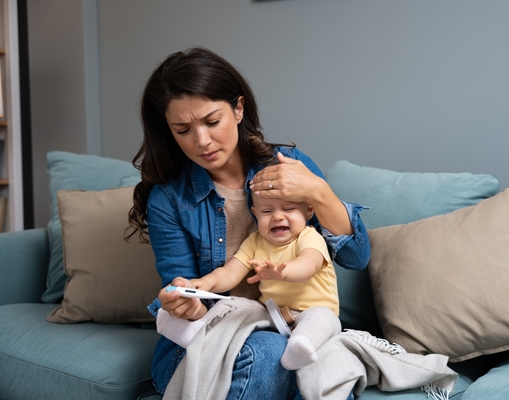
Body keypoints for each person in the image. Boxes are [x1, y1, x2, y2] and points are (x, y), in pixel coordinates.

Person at [127, 47, 370, 399]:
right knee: (269, 354)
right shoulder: (168, 199)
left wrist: (319, 191)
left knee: (323, 365)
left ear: (238, 109)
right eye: (183, 130)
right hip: (211, 337)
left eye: (212, 122)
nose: (202, 141)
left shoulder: (289, 165)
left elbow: (357, 258)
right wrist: (188, 302)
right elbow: (191, 292)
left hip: (293, 324)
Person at [162, 191, 341, 371]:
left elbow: (309, 264)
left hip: (313, 310)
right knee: (238, 304)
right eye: (267, 211)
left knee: (323, 319)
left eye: (288, 208)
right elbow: (230, 272)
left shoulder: (310, 237)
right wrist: (208, 282)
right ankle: (200, 332)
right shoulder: (255, 241)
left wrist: (282, 272)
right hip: (274, 315)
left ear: (309, 211)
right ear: (255, 213)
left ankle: (299, 347)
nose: (278, 216)